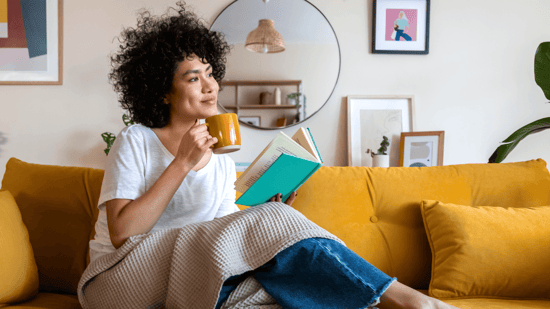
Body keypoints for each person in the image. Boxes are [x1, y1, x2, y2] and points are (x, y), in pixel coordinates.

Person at [85, 2, 459, 308]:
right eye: (192, 77)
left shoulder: (221, 163)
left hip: (183, 279)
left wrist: (276, 214)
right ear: (163, 91)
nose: (210, 85)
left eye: (210, 73)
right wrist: (182, 162)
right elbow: (123, 233)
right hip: (119, 279)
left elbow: (223, 245)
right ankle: (406, 298)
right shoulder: (136, 140)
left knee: (280, 292)